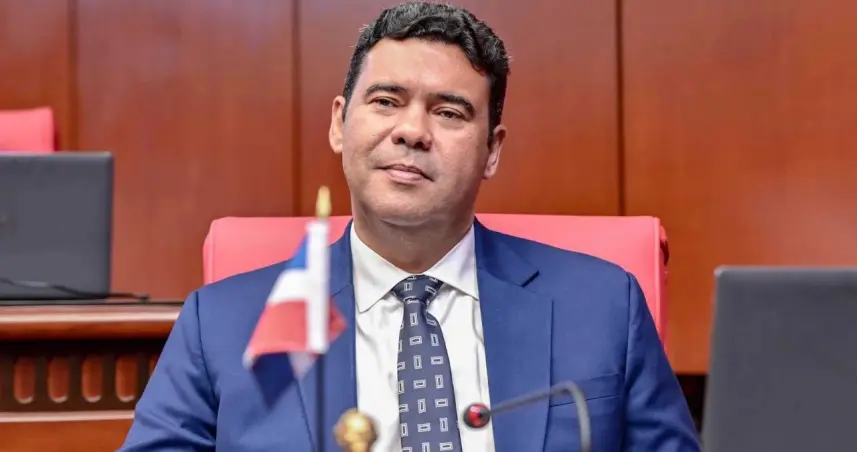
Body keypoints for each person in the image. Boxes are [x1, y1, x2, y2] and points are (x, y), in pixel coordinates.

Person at [120, 2, 700, 451]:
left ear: (492, 150)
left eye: (448, 112)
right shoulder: (221, 326)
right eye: (386, 101)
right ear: (340, 124)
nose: (412, 131)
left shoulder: (602, 308)